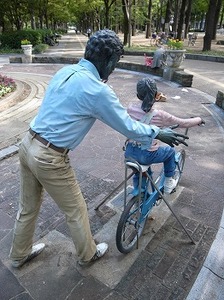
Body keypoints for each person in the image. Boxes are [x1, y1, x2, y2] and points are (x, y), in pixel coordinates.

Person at [9, 29, 188, 268]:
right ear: (109, 60)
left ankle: (19, 254)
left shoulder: (66, 71)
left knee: (27, 207)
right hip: (50, 157)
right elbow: (129, 128)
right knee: (76, 210)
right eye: (115, 63)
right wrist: (158, 132)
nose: (113, 70)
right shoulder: (97, 89)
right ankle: (87, 254)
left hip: (27, 143)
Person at [124, 77, 204, 195]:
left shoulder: (130, 109)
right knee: (170, 152)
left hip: (129, 152)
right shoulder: (160, 115)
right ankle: (168, 183)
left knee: (139, 171)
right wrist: (198, 119)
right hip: (147, 154)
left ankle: (139, 190)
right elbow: (183, 123)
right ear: (156, 95)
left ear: (137, 95)